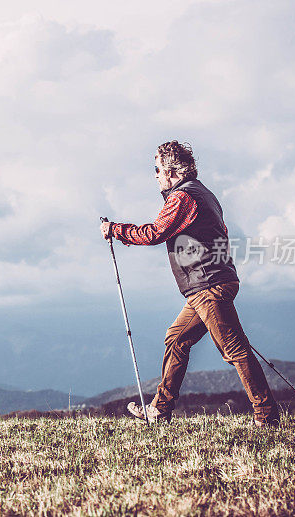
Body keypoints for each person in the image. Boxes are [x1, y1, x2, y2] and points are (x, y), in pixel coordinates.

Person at [100, 140, 279, 427]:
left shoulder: (183, 198)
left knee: (234, 349)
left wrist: (116, 230)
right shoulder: (203, 193)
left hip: (208, 286)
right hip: (210, 284)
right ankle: (160, 408)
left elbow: (156, 232)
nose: (155, 175)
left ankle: (267, 415)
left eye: (157, 169)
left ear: (172, 171)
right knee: (177, 338)